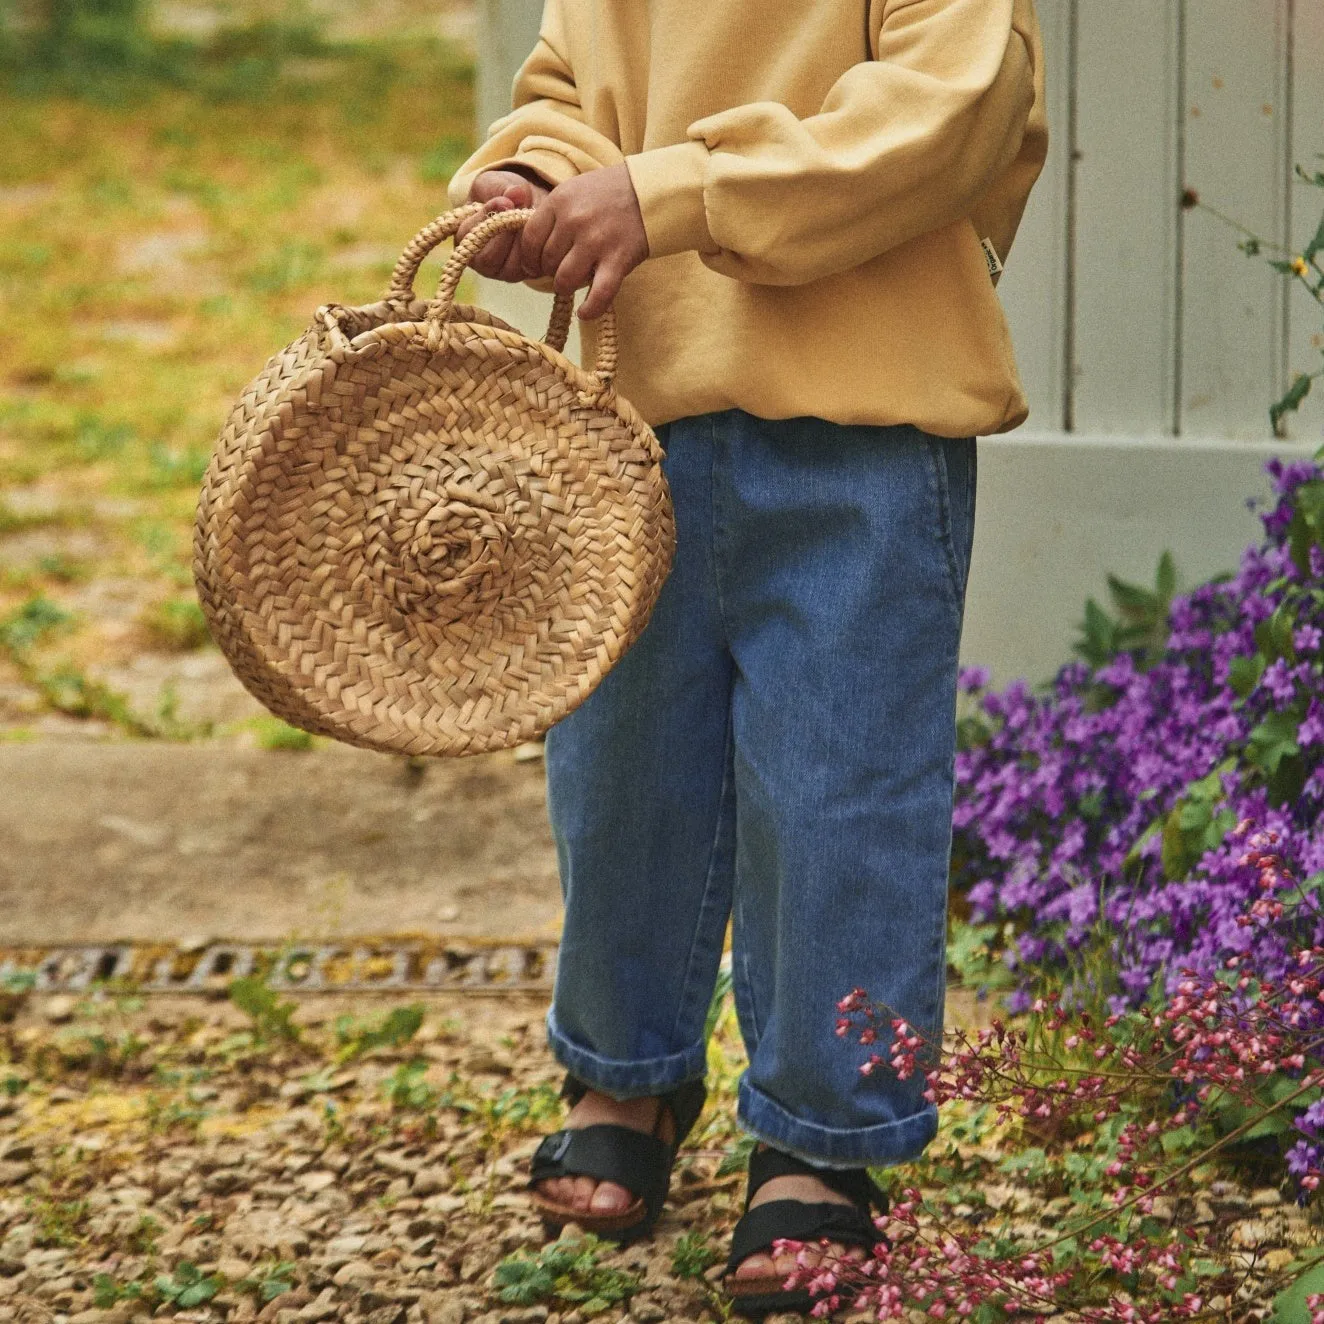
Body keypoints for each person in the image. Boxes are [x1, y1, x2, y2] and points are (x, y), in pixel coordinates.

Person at [446, 0, 1047, 1314]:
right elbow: (567, 85)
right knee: (617, 775)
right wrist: (535, 174)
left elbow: (949, 118)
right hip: (639, 405)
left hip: (866, 421)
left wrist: (667, 195)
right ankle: (625, 1071)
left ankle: (821, 1141)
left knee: (841, 792)